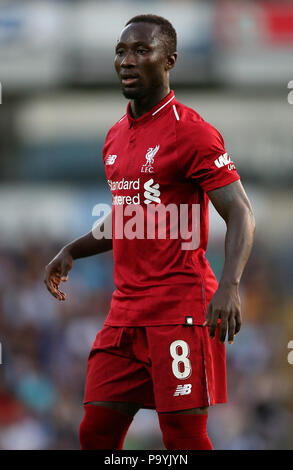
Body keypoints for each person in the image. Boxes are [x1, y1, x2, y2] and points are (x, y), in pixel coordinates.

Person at [44, 14, 255, 450]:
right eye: (122, 51)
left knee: (183, 437)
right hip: (126, 312)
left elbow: (240, 212)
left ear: (169, 61)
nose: (128, 60)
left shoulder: (192, 132)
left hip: (180, 310)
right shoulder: (115, 137)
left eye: (142, 51)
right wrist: (73, 250)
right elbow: (129, 214)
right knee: (95, 432)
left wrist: (230, 285)